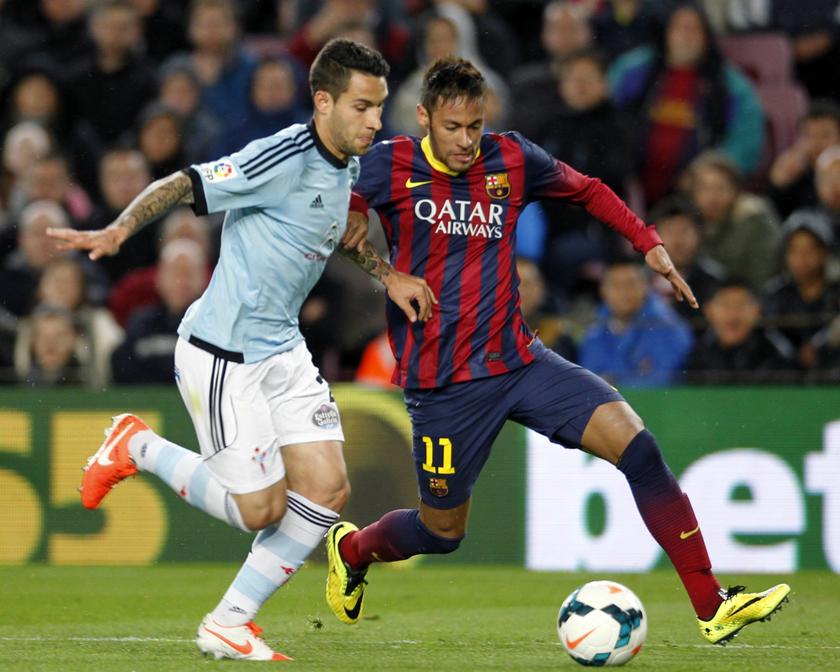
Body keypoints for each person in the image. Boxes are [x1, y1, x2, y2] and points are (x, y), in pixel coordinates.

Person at [326, 56, 790, 646]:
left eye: (475, 126)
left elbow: (589, 191)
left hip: (520, 361)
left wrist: (646, 241)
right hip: (443, 382)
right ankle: (354, 548)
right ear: (423, 118)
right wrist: (382, 268)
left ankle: (713, 603)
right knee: (442, 532)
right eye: (452, 128)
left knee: (640, 449)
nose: (467, 140)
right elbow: (336, 224)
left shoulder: (513, 157)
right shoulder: (388, 164)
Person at [47, 38, 434, 662]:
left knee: (329, 489)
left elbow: (328, 231)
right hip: (223, 353)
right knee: (260, 509)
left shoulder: (348, 163)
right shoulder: (280, 155)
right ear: (324, 101)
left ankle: (230, 622)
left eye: (379, 107)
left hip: (282, 347)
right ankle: (136, 445)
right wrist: (120, 228)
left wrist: (386, 274)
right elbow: (184, 183)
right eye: (363, 107)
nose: (374, 121)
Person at [579, 260, 693, 387]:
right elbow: (589, 382)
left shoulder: (669, 328)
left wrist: (614, 384)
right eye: (616, 285)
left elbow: (662, 382)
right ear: (603, 290)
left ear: (645, 287)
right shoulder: (595, 330)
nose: (624, 292)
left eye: (631, 284)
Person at [685, 279, 798, 385]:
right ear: (708, 311)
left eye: (741, 304)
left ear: (757, 310)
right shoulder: (697, 358)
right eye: (725, 305)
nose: (733, 314)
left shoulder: (776, 359)